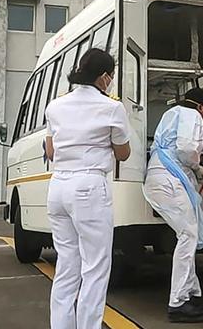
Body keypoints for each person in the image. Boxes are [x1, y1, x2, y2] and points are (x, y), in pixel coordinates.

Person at [44, 48, 131, 329]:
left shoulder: (55, 106)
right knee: (95, 268)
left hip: (58, 187)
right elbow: (123, 153)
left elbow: (50, 149)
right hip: (89, 187)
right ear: (105, 77)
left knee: (67, 266)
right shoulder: (111, 107)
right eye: (112, 77)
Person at [143, 88, 203, 323]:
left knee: (187, 235)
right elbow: (186, 149)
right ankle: (178, 302)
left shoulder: (171, 112)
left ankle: (192, 293)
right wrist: (198, 167)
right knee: (188, 235)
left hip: (159, 176)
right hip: (169, 179)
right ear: (202, 107)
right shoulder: (192, 115)